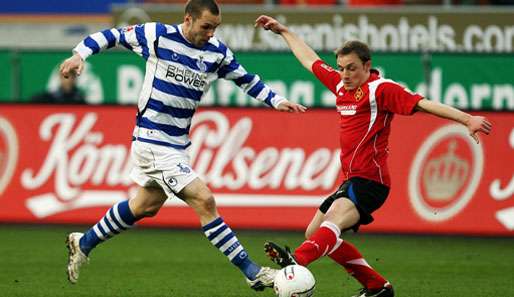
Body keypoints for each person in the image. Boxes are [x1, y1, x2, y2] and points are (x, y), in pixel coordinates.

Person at [60, 0, 306, 290]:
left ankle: (84, 242)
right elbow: (111, 35)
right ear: (187, 20)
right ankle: (252, 271)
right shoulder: (156, 35)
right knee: (204, 200)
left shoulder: (217, 52)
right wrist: (80, 54)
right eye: (206, 26)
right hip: (151, 140)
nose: (211, 33)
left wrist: (276, 100)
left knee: (145, 205)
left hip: (177, 146)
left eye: (215, 28)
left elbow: (246, 79)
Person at [255, 15, 492, 297]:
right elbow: (311, 61)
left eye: (352, 68)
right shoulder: (343, 87)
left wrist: (467, 120)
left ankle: (298, 260)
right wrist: (284, 31)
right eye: (342, 68)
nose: (345, 74)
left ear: (367, 65)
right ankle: (377, 287)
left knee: (331, 223)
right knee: (315, 233)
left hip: (372, 181)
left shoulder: (381, 90)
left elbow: (424, 104)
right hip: (352, 181)